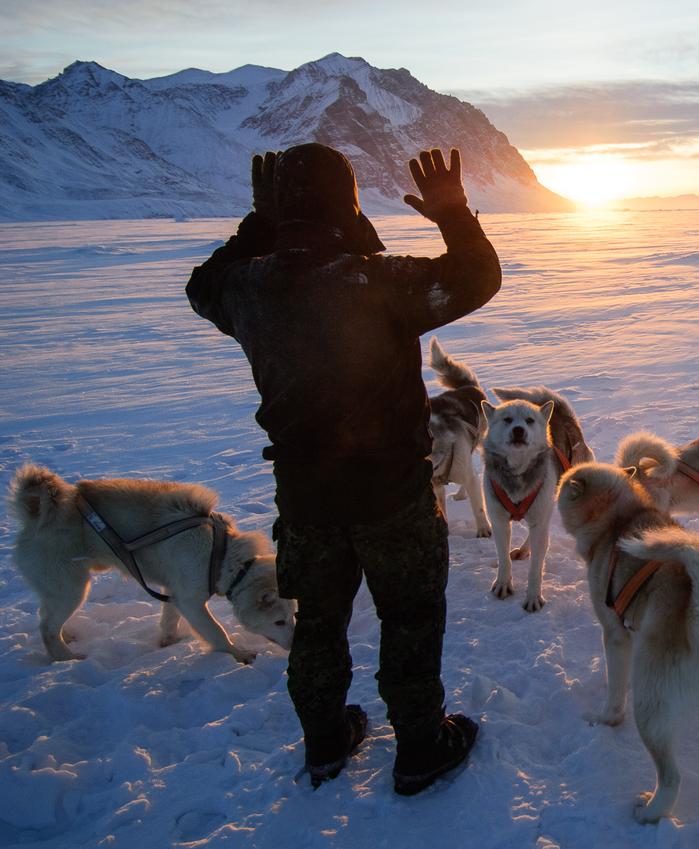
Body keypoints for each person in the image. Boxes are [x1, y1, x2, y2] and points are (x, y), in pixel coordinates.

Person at [187, 143, 501, 795]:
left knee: (318, 622)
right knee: (409, 618)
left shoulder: (248, 287)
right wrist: (451, 211)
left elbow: (202, 286)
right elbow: (477, 277)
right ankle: (420, 747)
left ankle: (326, 740)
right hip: (393, 496)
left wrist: (260, 223)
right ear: (348, 204)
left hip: (307, 499)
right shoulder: (379, 282)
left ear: (284, 208)